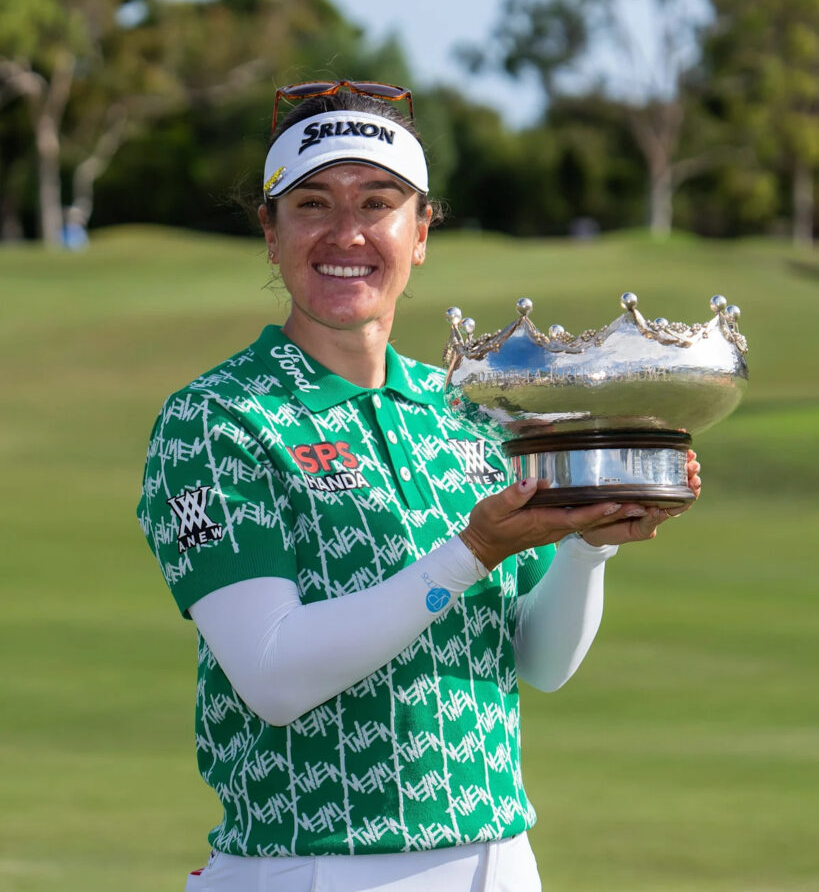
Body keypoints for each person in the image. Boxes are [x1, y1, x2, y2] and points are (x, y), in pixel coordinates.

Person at [138, 80, 700, 892]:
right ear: (270, 231)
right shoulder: (217, 418)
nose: (346, 234)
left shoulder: (467, 412)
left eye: (377, 203)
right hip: (312, 865)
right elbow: (272, 677)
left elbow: (540, 662)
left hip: (498, 860)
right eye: (311, 205)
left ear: (421, 230)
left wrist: (587, 545)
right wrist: (469, 553)